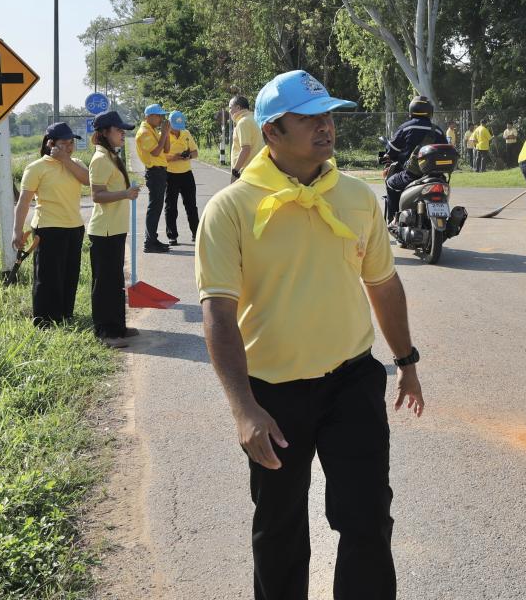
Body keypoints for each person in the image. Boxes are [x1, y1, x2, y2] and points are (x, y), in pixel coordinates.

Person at [196, 69, 425, 600]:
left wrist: (406, 361)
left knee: (368, 518)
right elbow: (219, 315)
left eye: (328, 116)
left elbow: (384, 284)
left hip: (352, 383)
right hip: (273, 395)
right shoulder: (231, 208)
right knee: (279, 528)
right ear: (272, 131)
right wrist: (243, 408)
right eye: (309, 119)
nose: (326, 128)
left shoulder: (357, 196)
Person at [13, 122, 89, 327]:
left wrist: (65, 159)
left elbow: (88, 180)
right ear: (50, 143)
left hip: (74, 227)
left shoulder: (76, 163)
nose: (70, 146)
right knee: (47, 277)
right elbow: (23, 202)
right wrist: (17, 231)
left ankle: (65, 315)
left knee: (70, 273)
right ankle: (44, 320)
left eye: (72, 142)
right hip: (47, 228)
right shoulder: (36, 168)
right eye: (65, 143)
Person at [87, 111, 141, 348]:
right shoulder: (100, 159)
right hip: (104, 231)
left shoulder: (111, 156)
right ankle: (105, 333)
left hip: (115, 229)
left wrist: (127, 191)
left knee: (115, 280)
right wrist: (125, 194)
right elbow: (97, 195)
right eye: (119, 130)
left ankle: (118, 326)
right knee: (105, 283)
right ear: (105, 133)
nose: (122, 134)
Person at [381, 96, 446, 222]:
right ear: (430, 112)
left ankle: (394, 218)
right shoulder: (437, 131)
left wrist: (386, 156)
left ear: (411, 111)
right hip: (436, 177)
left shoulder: (406, 128)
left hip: (411, 175)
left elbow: (392, 150)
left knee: (390, 183)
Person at [136, 104, 173, 253]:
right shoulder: (144, 132)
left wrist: (166, 133)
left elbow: (166, 149)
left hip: (160, 172)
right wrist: (164, 133)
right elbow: (157, 152)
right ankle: (149, 242)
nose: (161, 119)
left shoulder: (153, 131)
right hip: (154, 172)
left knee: (156, 208)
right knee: (154, 208)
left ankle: (152, 239)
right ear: (148, 116)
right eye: (158, 116)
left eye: (161, 116)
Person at [166, 109, 201, 246]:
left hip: (186, 173)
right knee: (171, 207)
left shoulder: (186, 133)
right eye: (175, 127)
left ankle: (196, 232)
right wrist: (174, 157)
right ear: (169, 123)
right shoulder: (163, 135)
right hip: (170, 174)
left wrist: (188, 156)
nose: (177, 130)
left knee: (191, 205)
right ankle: (172, 236)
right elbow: (160, 156)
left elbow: (195, 152)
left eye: (179, 127)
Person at [230, 95, 263, 182]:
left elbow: (246, 149)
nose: (229, 111)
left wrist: (235, 171)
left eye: (230, 108)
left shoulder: (243, 122)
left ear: (238, 107)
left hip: (245, 172)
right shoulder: (252, 119)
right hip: (255, 170)